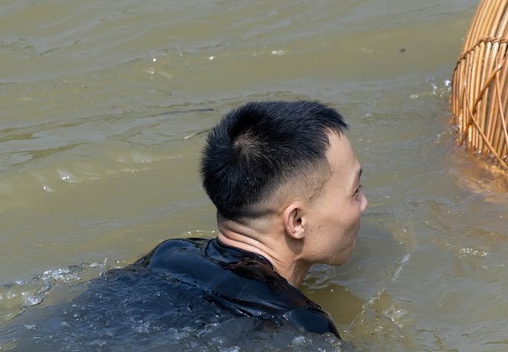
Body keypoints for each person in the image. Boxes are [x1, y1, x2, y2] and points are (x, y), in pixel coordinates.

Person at [77, 98, 366, 339]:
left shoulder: (169, 254)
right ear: (297, 221)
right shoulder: (299, 325)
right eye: (355, 191)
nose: (364, 204)